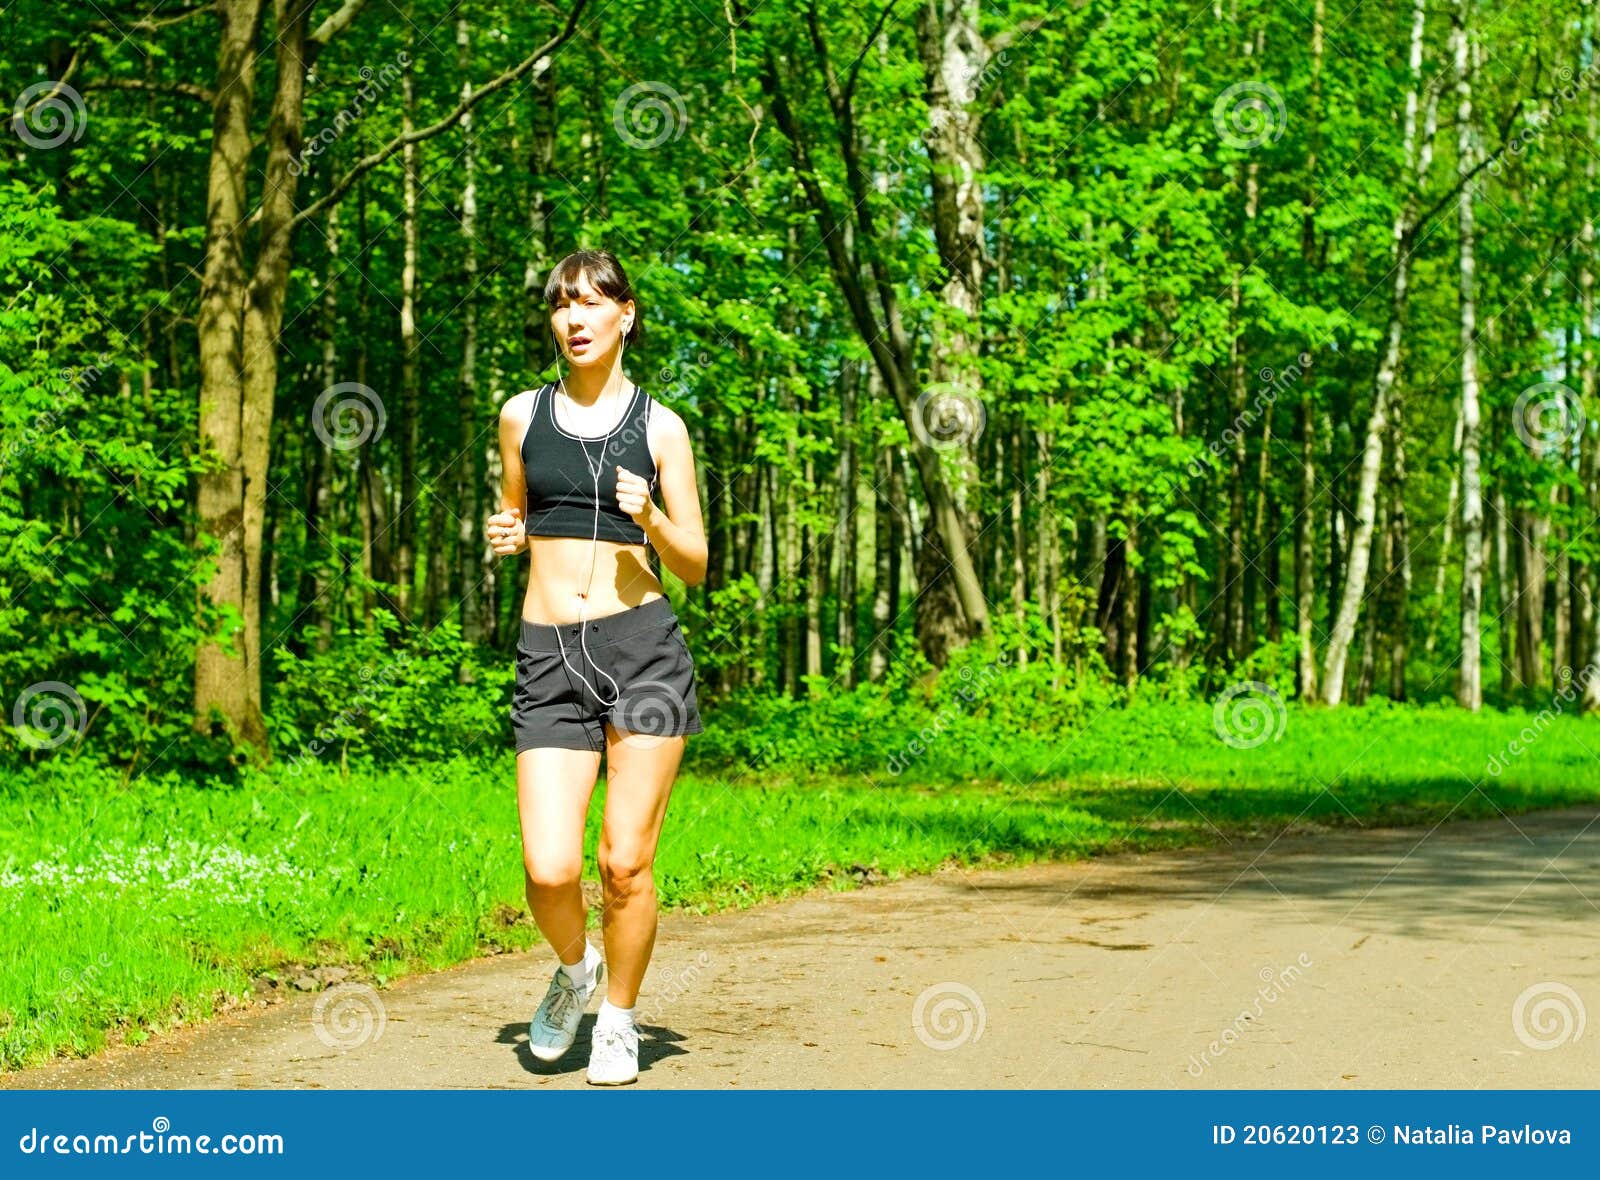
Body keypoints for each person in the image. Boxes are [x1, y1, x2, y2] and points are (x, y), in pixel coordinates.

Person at [484, 249, 707, 1086]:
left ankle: (618, 1018)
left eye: (591, 302)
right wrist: (507, 534)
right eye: (562, 304)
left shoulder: (661, 428)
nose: (574, 318)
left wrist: (651, 517)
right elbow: (515, 515)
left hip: (642, 652)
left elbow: (695, 563)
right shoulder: (520, 416)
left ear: (626, 316)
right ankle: (577, 973)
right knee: (550, 869)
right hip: (548, 657)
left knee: (623, 863)